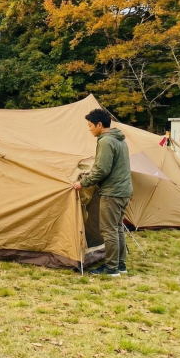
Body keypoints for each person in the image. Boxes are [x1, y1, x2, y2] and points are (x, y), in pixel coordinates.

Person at [72, 108, 133, 276]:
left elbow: (102, 169)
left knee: (109, 230)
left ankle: (111, 268)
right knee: (117, 228)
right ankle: (120, 265)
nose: (89, 129)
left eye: (90, 125)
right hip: (123, 190)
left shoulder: (106, 141)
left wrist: (82, 183)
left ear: (99, 124)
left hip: (112, 192)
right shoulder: (119, 139)